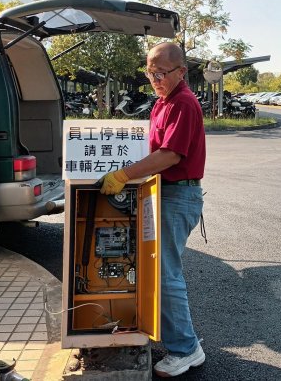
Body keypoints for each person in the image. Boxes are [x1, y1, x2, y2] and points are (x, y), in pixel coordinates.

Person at [98, 42, 206, 378]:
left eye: (161, 72)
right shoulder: (163, 103)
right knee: (155, 270)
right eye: (150, 72)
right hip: (162, 193)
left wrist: (122, 174)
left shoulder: (184, 104)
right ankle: (170, 336)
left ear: (180, 72)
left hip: (178, 195)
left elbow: (169, 156)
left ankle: (186, 350)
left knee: (166, 275)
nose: (154, 78)